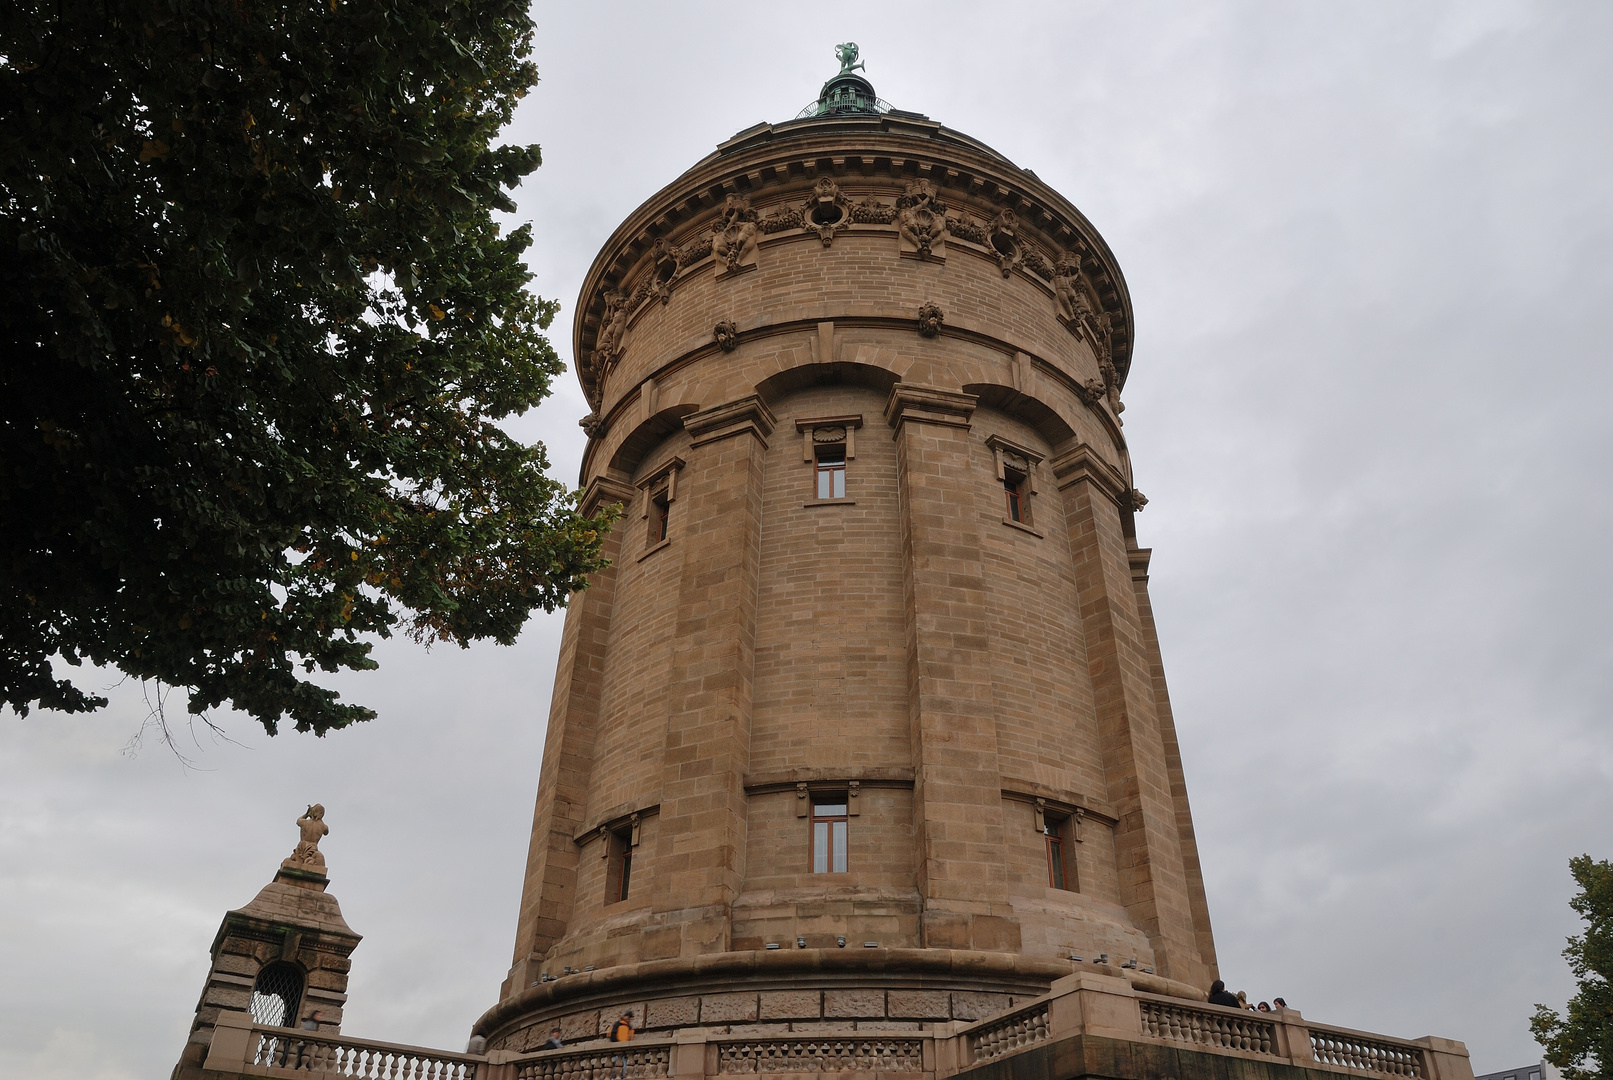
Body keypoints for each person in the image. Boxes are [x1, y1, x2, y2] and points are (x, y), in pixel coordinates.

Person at [610, 1010, 634, 1079]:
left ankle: (618, 1076)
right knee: (620, 1065)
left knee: (622, 1065)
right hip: (618, 1048)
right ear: (624, 1016)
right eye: (627, 1017)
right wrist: (617, 1043)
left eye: (629, 1018)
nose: (628, 1019)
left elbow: (630, 1038)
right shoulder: (618, 1024)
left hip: (625, 1049)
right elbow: (613, 1035)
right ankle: (618, 1076)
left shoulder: (629, 1027)